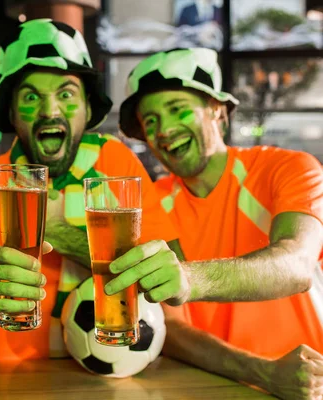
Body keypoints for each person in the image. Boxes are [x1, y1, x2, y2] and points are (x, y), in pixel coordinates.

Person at [0, 18, 189, 362]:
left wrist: (60, 233)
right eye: (31, 96)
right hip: (13, 386)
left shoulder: (117, 165)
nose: (50, 111)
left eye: (66, 94)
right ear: (11, 112)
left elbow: (173, 279)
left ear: (88, 109)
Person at [118, 47, 323, 399]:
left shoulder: (290, 169)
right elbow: (172, 329)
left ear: (217, 109)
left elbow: (296, 264)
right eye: (150, 121)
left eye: (177, 109)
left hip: (310, 382)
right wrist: (263, 372)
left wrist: (189, 278)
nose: (164, 129)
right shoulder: (149, 204)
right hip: (214, 386)